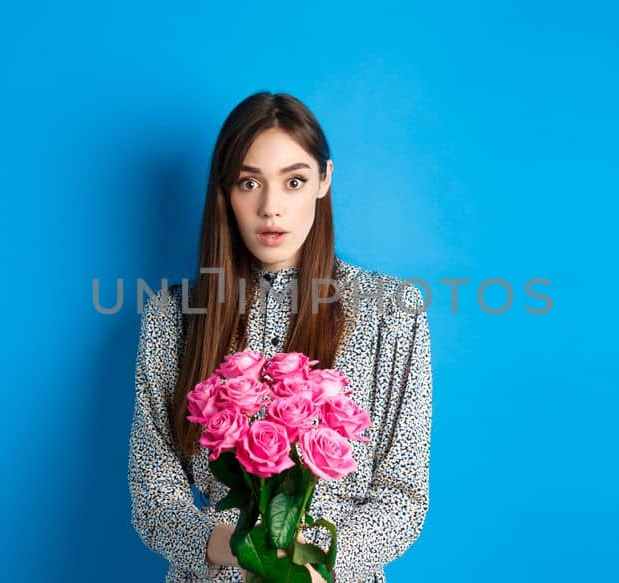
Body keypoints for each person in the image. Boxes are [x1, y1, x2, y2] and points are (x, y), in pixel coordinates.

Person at [128, 91, 433, 583]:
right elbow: (153, 486)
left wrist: (309, 566)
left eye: (294, 181)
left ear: (324, 180)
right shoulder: (173, 315)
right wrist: (231, 549)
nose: (271, 208)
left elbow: (404, 496)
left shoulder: (392, 311)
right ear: (225, 191)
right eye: (249, 183)